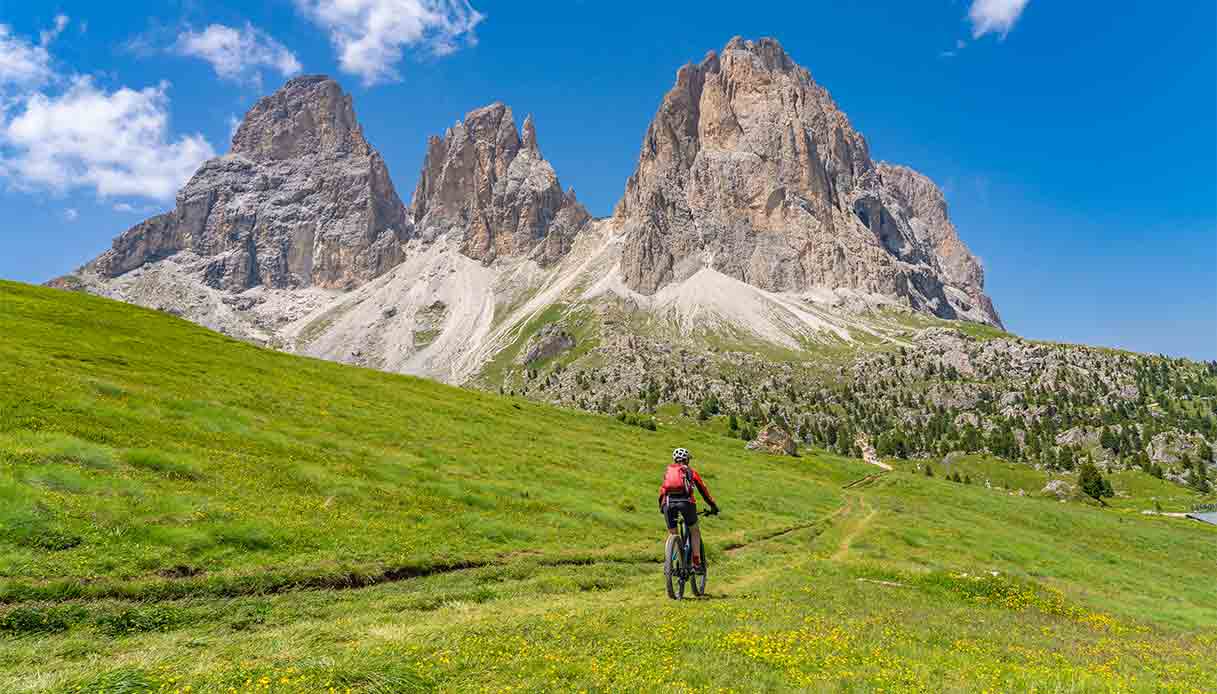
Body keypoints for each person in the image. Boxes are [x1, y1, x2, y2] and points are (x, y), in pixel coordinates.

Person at [658, 447, 719, 572]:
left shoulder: (668, 472)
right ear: (687, 460)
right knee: (694, 530)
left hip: (668, 504)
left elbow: (662, 491)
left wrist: (662, 507)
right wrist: (713, 506)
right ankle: (696, 563)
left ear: (674, 460)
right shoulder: (691, 472)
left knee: (673, 534)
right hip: (687, 503)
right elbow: (703, 490)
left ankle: (670, 563)